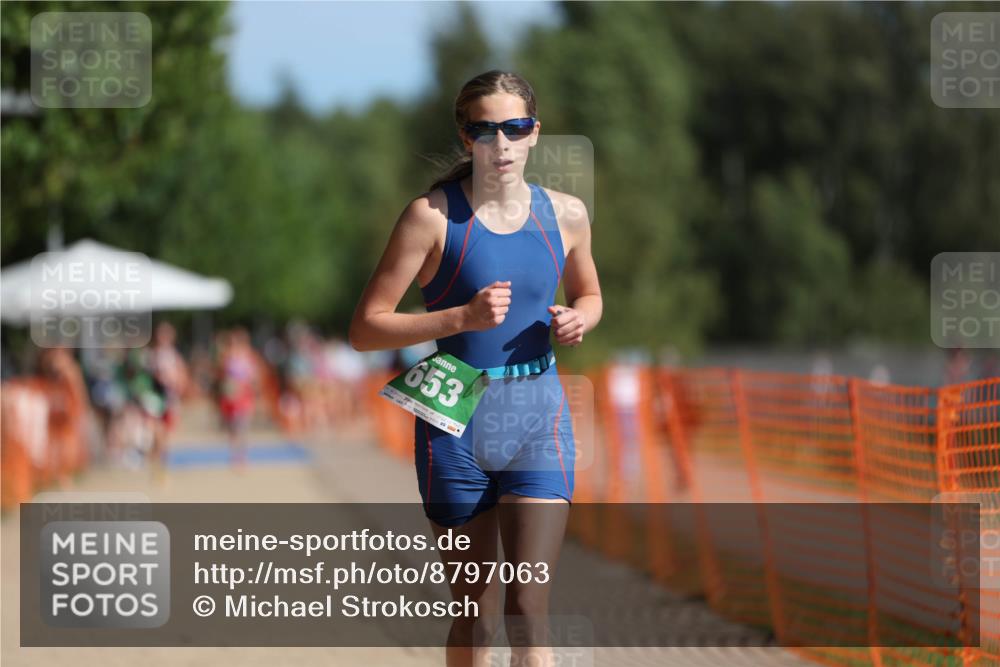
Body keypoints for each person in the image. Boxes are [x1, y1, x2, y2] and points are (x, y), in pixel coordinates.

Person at [349, 70, 602, 667]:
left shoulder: (566, 214)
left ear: (535, 132)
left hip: (538, 415)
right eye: (484, 130)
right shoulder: (430, 218)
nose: (501, 144)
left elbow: (590, 294)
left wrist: (581, 320)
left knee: (528, 608)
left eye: (515, 128)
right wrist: (458, 318)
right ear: (465, 138)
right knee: (476, 616)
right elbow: (365, 328)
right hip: (455, 417)